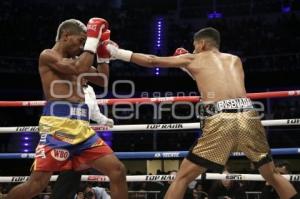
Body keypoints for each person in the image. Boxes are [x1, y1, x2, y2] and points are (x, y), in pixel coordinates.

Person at [102, 27, 300, 199]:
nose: (194, 49)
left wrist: (116, 52)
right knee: (271, 174)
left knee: (182, 177)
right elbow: (218, 81)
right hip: (249, 115)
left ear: (203, 43)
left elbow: (153, 61)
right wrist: (188, 67)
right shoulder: (235, 60)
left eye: (195, 45)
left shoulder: (193, 57)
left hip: (222, 118)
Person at [6, 18, 127, 199]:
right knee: (37, 184)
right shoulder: (48, 56)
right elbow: (78, 68)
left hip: (82, 129)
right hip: (57, 127)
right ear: (66, 36)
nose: (82, 46)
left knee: (117, 170)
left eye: (85, 43)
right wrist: (94, 40)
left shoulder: (79, 60)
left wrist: (102, 56)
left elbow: (102, 78)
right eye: (81, 41)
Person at [52, 51, 114, 199]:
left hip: (83, 135)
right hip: (66, 133)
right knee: (64, 174)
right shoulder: (65, 87)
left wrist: (105, 121)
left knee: (74, 173)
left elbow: (93, 113)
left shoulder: (90, 90)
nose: (86, 76)